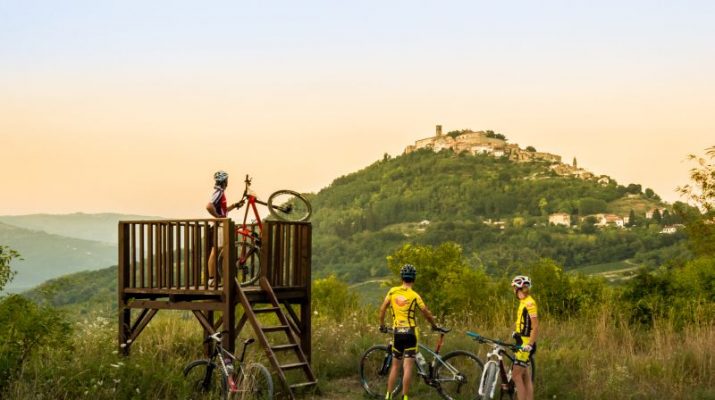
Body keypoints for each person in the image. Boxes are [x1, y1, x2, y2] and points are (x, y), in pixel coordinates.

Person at [378, 264, 444, 400]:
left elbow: (382, 309)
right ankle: (405, 397)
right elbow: (426, 312)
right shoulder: (414, 295)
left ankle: (388, 396)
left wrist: (382, 325)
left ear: (402, 278)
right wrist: (434, 325)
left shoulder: (392, 291)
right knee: (408, 367)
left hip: (397, 333)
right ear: (414, 279)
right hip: (411, 332)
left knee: (395, 366)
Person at [206, 170, 243, 286]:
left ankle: (217, 278)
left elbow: (223, 211)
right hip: (219, 225)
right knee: (216, 250)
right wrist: (218, 218)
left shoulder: (221, 193)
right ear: (224, 181)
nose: (228, 182)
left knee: (219, 250)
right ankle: (212, 279)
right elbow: (209, 206)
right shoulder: (219, 192)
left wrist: (234, 205)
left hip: (221, 224)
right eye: (227, 180)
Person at [511, 275, 538, 400]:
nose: (513, 291)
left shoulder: (530, 303)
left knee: (516, 376)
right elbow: (522, 323)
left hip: (526, 344)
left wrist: (530, 344)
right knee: (525, 376)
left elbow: (535, 326)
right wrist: (516, 333)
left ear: (519, 288)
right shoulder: (523, 302)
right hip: (521, 341)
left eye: (514, 288)